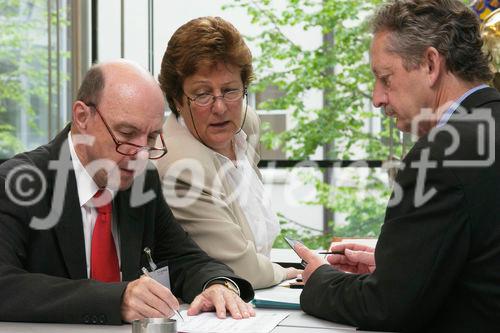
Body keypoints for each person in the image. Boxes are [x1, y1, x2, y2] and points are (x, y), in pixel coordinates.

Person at [294, 0, 500, 331]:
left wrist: (320, 279)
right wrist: (407, 263)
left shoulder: (440, 153)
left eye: (385, 78)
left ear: (431, 64)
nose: (377, 98)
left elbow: (386, 306)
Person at [0, 59, 255, 325]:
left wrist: (216, 284)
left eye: (152, 137)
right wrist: (116, 299)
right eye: (126, 133)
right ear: (82, 117)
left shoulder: (141, 182)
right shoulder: (19, 182)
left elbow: (183, 258)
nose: (142, 154)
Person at [154, 16, 300, 289]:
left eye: (230, 90)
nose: (220, 107)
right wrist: (289, 273)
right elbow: (242, 270)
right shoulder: (180, 166)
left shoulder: (246, 125)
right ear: (176, 100)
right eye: (202, 94)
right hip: (214, 304)